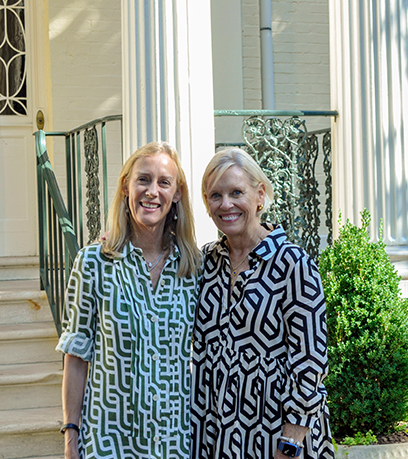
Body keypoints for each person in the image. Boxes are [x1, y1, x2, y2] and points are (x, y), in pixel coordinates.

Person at [56, 141, 201, 459]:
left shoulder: (194, 268)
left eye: (164, 182)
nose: (152, 191)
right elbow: (76, 358)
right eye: (143, 179)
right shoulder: (93, 262)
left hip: (173, 442)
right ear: (126, 186)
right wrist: (71, 438)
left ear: (177, 193)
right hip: (109, 441)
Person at [190, 148, 335, 459]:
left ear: (260, 195)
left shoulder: (292, 263)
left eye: (236, 192)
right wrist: (117, 240)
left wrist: (291, 441)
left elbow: (310, 361)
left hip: (276, 436)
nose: (226, 204)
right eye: (215, 195)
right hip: (216, 432)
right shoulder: (205, 262)